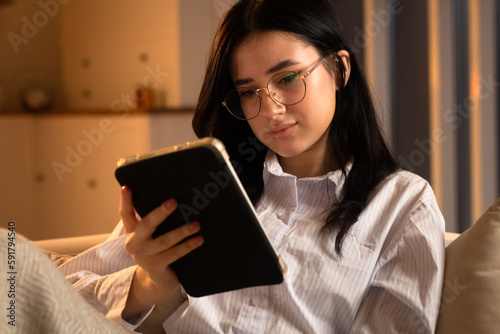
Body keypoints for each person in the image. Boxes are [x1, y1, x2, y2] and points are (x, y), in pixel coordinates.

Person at [60, 0, 446, 332]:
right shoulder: (203, 184)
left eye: (288, 77)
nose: (272, 109)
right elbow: (55, 294)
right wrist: (147, 283)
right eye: (248, 92)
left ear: (340, 70)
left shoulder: (404, 204)